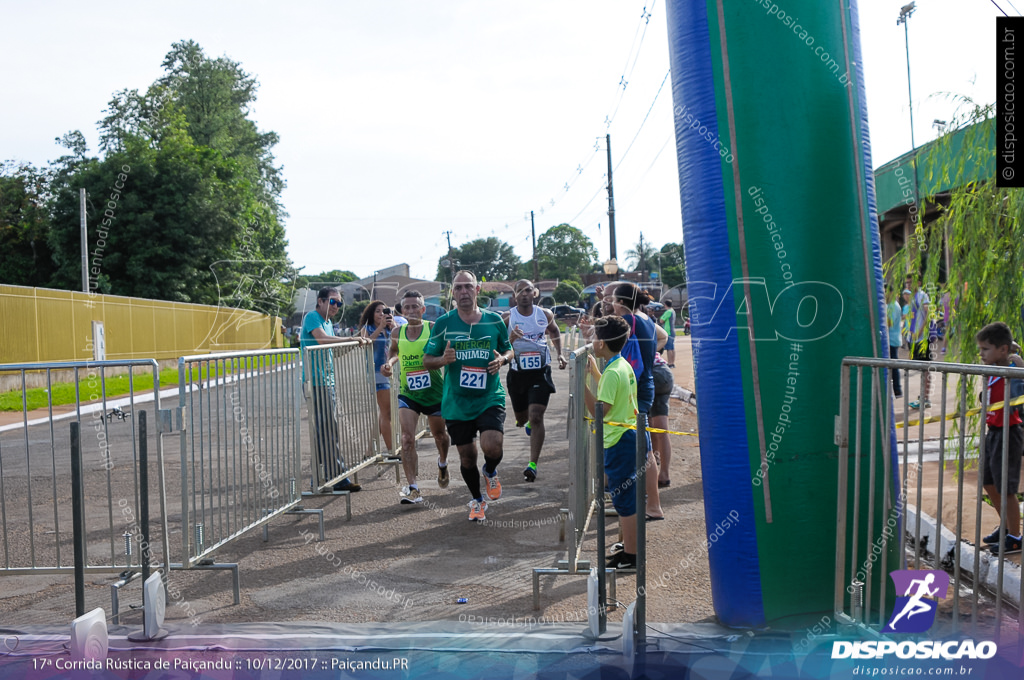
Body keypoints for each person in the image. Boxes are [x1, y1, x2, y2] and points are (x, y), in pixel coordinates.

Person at [423, 271, 514, 522]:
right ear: (453, 293)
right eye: (459, 287)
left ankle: (491, 470)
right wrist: (443, 359)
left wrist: (502, 359)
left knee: (492, 445)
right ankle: (476, 500)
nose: (464, 292)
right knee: (467, 456)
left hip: (488, 396)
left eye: (468, 287)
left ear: (478, 290)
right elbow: (427, 359)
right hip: (457, 401)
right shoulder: (444, 323)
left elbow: (508, 349)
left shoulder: (494, 320)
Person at [603, 282, 667, 521]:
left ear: (620, 302)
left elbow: (604, 337)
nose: (610, 304)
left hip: (637, 388)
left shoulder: (630, 320)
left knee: (642, 448)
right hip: (643, 384)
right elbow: (663, 337)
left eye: (612, 300)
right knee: (643, 446)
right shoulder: (646, 319)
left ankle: (652, 505)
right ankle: (642, 503)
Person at [381, 291, 451, 505]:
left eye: (415, 307)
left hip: (435, 393)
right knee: (407, 439)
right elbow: (393, 351)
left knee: (440, 436)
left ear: (423, 309)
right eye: (407, 307)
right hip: (408, 393)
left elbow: (446, 353)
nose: (411, 311)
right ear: (401, 311)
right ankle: (413, 488)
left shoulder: (434, 329)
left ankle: (442, 462)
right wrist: (390, 364)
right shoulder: (396, 332)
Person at [584, 315, 639, 571]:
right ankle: (630, 546)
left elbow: (599, 410)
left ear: (602, 342)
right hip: (628, 436)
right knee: (627, 498)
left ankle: (631, 556)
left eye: (595, 336)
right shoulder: (620, 366)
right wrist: (595, 371)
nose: (592, 340)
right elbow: (611, 390)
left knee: (625, 500)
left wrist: (584, 385)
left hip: (619, 440)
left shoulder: (613, 373)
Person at [300, 287, 366, 492]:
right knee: (328, 431)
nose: (336, 306)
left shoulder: (328, 323)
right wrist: (349, 339)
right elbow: (321, 340)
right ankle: (336, 477)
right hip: (316, 382)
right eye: (333, 302)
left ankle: (321, 478)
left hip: (326, 381)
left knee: (326, 430)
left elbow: (332, 350)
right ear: (320, 301)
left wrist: (354, 342)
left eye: (339, 303)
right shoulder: (313, 317)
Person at [501, 279, 567, 482]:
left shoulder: (544, 315)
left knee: (537, 416)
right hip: (517, 373)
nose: (524, 294)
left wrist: (560, 354)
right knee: (522, 420)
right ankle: (526, 421)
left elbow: (555, 331)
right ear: (514, 296)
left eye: (528, 290)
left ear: (535, 293)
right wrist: (510, 339)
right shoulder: (507, 317)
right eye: (519, 291)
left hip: (540, 370)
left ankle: (532, 464)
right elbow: (499, 343)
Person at [976, 322, 1024, 555]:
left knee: (1006, 488)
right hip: (993, 430)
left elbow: (1018, 391)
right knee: (989, 482)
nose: (981, 354)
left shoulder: (1014, 370)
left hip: (1009, 431)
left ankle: (1015, 537)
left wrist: (1017, 361)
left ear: (1002, 350)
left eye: (985, 349)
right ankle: (1006, 527)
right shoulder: (994, 367)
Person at [359, 301, 396, 456]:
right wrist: (380, 327)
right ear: (371, 313)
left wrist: (392, 326)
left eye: (384, 311)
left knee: (383, 413)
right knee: (386, 413)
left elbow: (399, 343)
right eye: (378, 311)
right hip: (376, 373)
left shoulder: (389, 329)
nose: (381, 314)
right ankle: (391, 450)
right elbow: (367, 343)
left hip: (389, 372)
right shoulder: (366, 329)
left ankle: (369, 450)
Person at [907, 277, 932, 409]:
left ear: (919, 282)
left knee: (925, 368)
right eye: (907, 282)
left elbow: (928, 314)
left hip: (922, 338)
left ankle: (926, 398)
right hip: (914, 338)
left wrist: (920, 331)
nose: (908, 285)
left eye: (911, 282)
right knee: (921, 368)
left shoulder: (922, 296)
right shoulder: (912, 297)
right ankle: (923, 396)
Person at [886, 284, 903, 398]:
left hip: (892, 339)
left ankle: (897, 390)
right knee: (892, 364)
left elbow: (889, 323)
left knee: (893, 364)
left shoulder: (893, 306)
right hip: (891, 339)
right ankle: (896, 389)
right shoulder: (889, 305)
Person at [659, 300, 677, 368]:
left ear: (665, 305)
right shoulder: (673, 311)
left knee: (669, 348)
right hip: (672, 331)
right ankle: (672, 362)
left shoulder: (668, 311)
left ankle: (670, 363)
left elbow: (661, 320)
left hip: (668, 331)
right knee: (672, 348)